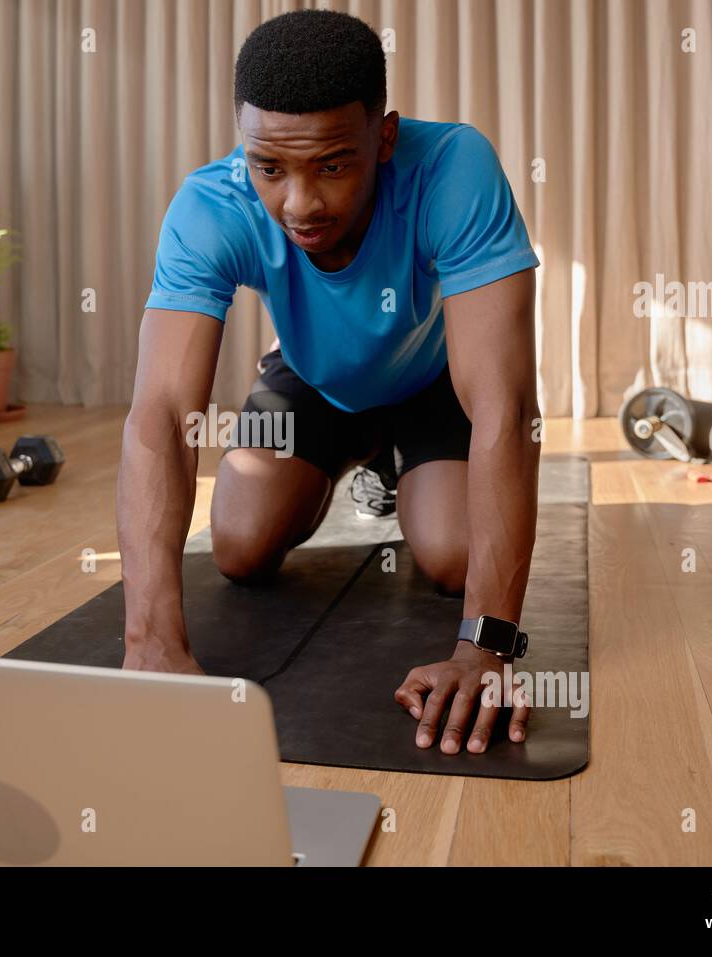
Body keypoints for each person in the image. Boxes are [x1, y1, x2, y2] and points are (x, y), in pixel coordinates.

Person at [117, 9, 540, 756]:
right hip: (311, 379)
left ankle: (395, 465)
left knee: (453, 559)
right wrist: (150, 640)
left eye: (333, 166)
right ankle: (358, 457)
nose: (299, 204)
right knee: (239, 547)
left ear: (385, 137)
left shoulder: (454, 168)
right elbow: (161, 411)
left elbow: (504, 408)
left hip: (432, 380)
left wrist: (486, 648)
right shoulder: (212, 206)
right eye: (270, 168)